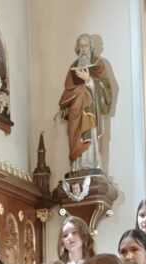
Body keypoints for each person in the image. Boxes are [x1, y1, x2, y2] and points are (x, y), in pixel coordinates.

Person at [58, 33, 114, 171]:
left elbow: (106, 87)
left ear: (91, 47)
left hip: (91, 111)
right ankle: (77, 166)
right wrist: (64, 110)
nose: (83, 49)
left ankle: (91, 163)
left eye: (86, 46)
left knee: (90, 134)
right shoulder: (73, 66)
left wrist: (89, 80)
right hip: (75, 114)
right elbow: (68, 91)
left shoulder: (98, 63)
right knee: (74, 136)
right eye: (81, 46)